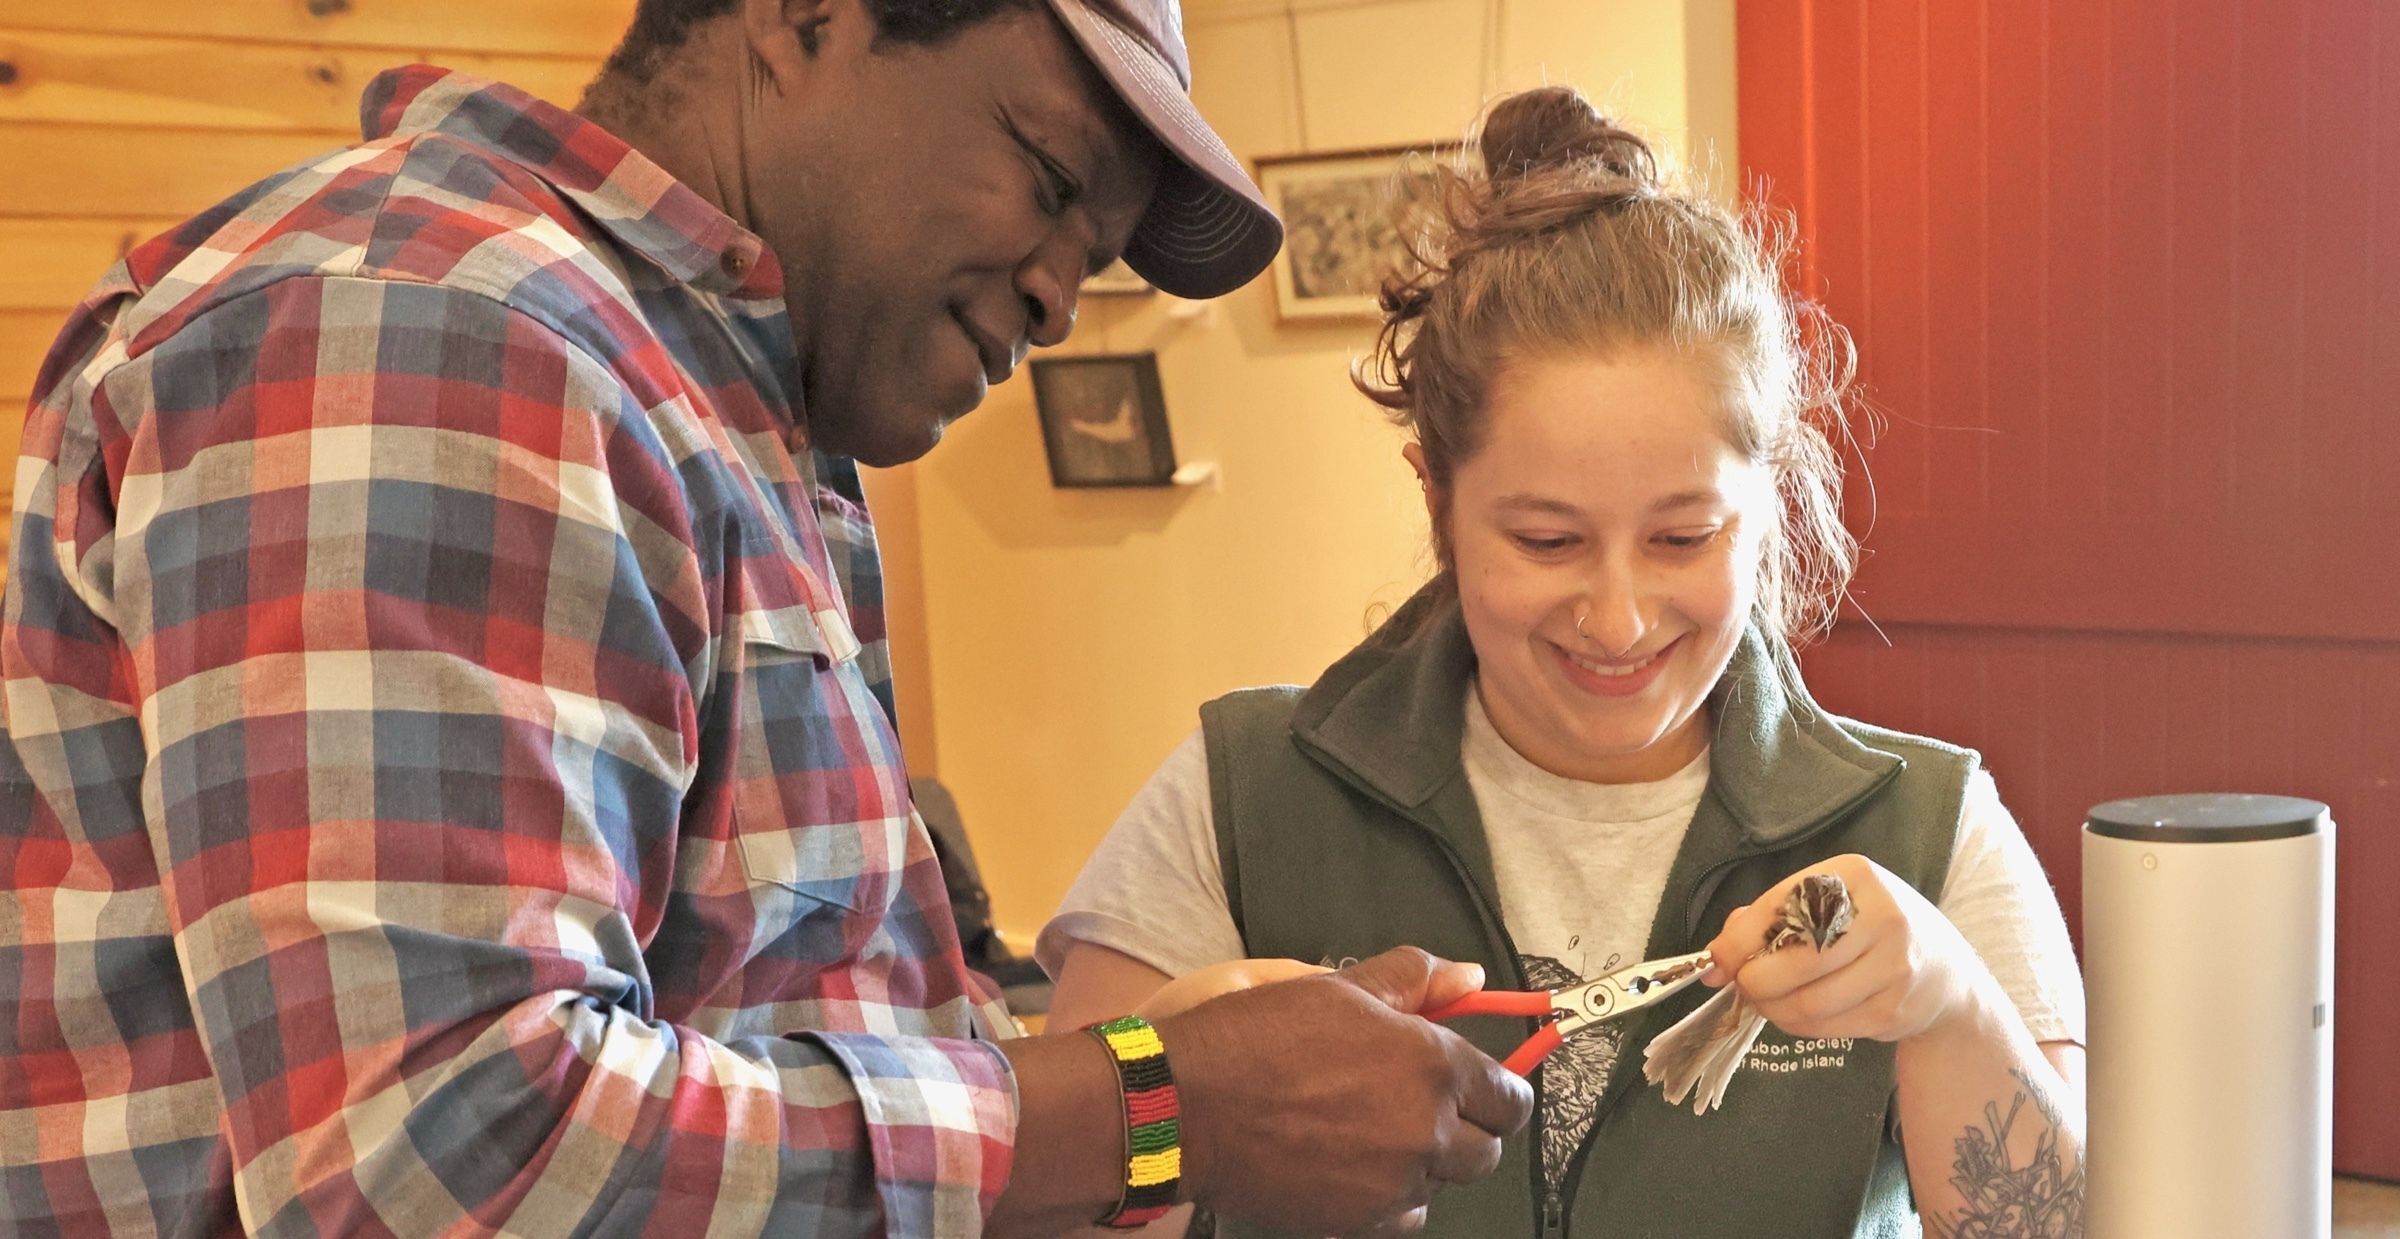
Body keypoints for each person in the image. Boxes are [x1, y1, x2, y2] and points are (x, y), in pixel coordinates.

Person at [0, 1, 1532, 1235]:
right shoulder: (437, 327)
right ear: (803, 20)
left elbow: (743, 1025)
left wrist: (1092, 1075)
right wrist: (1145, 1103)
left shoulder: (719, 407)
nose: (1067, 296)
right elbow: (445, 1166)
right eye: (1055, 182)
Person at [1044, 86, 2087, 1237]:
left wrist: (1948, 1005)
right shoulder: (1235, 798)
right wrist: (1183, 1079)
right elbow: (1039, 1208)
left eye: (1683, 538)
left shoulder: (1934, 831)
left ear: (1770, 501)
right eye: (1546, 542)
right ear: (1436, 497)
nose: (1620, 619)